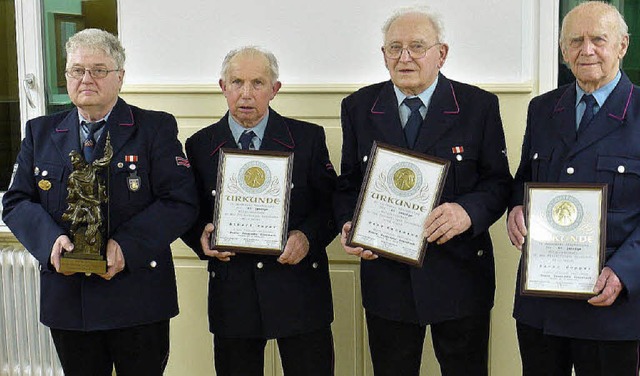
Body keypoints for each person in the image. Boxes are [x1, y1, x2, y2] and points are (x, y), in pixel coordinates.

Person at [2, 29, 198, 375]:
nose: (86, 79)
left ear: (120, 77)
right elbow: (17, 201)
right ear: (66, 76)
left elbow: (180, 201)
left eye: (98, 69)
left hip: (138, 298)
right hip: (69, 300)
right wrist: (50, 242)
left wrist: (127, 245)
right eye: (77, 70)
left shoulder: (153, 129)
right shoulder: (40, 132)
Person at [333, 6, 512, 376]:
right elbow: (348, 182)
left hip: (460, 275)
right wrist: (349, 223)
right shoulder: (358, 107)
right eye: (394, 48)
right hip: (388, 279)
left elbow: (498, 182)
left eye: (417, 46)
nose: (405, 57)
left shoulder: (478, 106)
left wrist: (468, 212)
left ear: (441, 53)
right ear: (383, 56)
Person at [181, 46, 337, 376]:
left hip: (299, 289)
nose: (246, 94)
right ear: (222, 87)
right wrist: (200, 236)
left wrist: (307, 237)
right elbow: (185, 208)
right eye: (236, 82)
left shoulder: (307, 138)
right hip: (233, 293)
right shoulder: (199, 144)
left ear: (275, 89)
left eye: (258, 83)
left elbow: (331, 204)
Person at [507, 2, 640, 375]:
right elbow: (525, 179)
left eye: (598, 39)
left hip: (610, 302)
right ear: (564, 52)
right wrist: (516, 208)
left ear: (622, 45)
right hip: (542, 304)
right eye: (575, 41)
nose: (587, 50)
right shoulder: (543, 109)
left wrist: (624, 272)